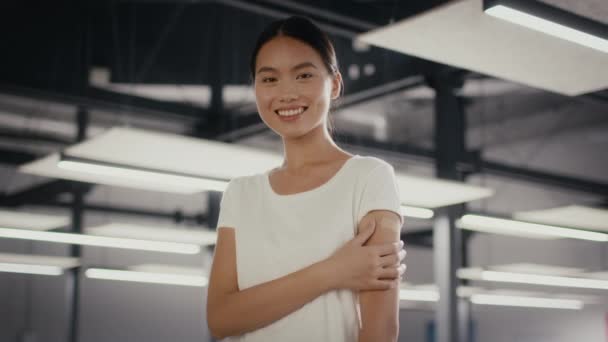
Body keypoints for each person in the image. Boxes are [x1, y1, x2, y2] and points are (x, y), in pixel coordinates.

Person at [206, 16, 407, 342]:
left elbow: (380, 332)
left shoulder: (369, 178)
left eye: (303, 75)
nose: (286, 93)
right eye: (269, 79)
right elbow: (220, 319)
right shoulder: (240, 193)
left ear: (335, 84)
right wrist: (334, 271)